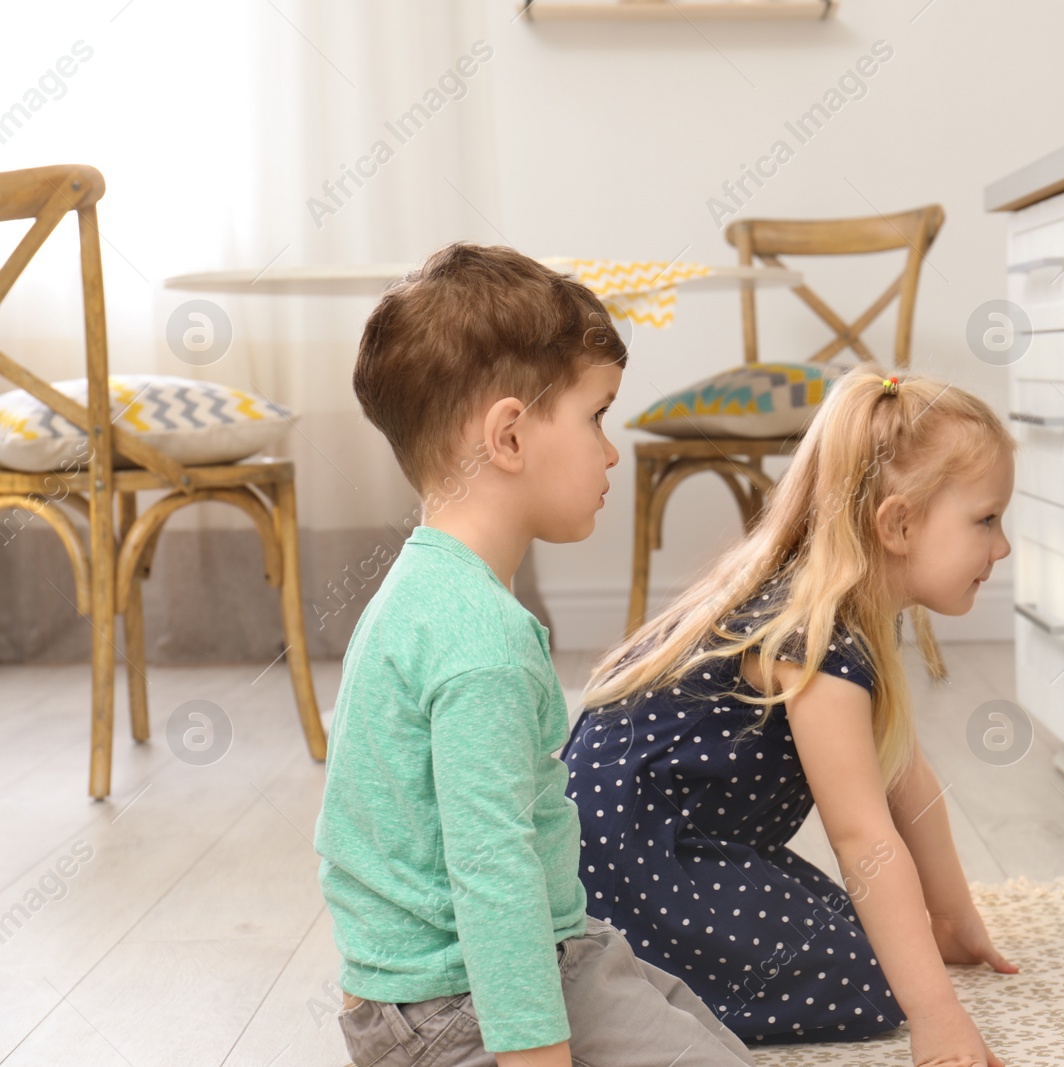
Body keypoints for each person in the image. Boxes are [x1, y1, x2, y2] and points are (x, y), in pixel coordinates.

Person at [313, 242, 755, 1067]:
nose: (611, 448)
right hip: (461, 998)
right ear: (509, 437)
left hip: (451, 978)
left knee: (708, 1038)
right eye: (597, 416)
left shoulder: (418, 588)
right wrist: (535, 1051)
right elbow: (490, 867)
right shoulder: (478, 636)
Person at [562, 364, 1019, 1066]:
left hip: (663, 839)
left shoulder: (838, 603)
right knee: (868, 979)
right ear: (897, 524)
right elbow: (864, 836)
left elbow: (907, 779)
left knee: (882, 939)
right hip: (634, 860)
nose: (1002, 545)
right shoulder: (816, 638)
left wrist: (952, 922)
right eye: (986, 519)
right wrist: (938, 1012)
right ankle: (620, 983)